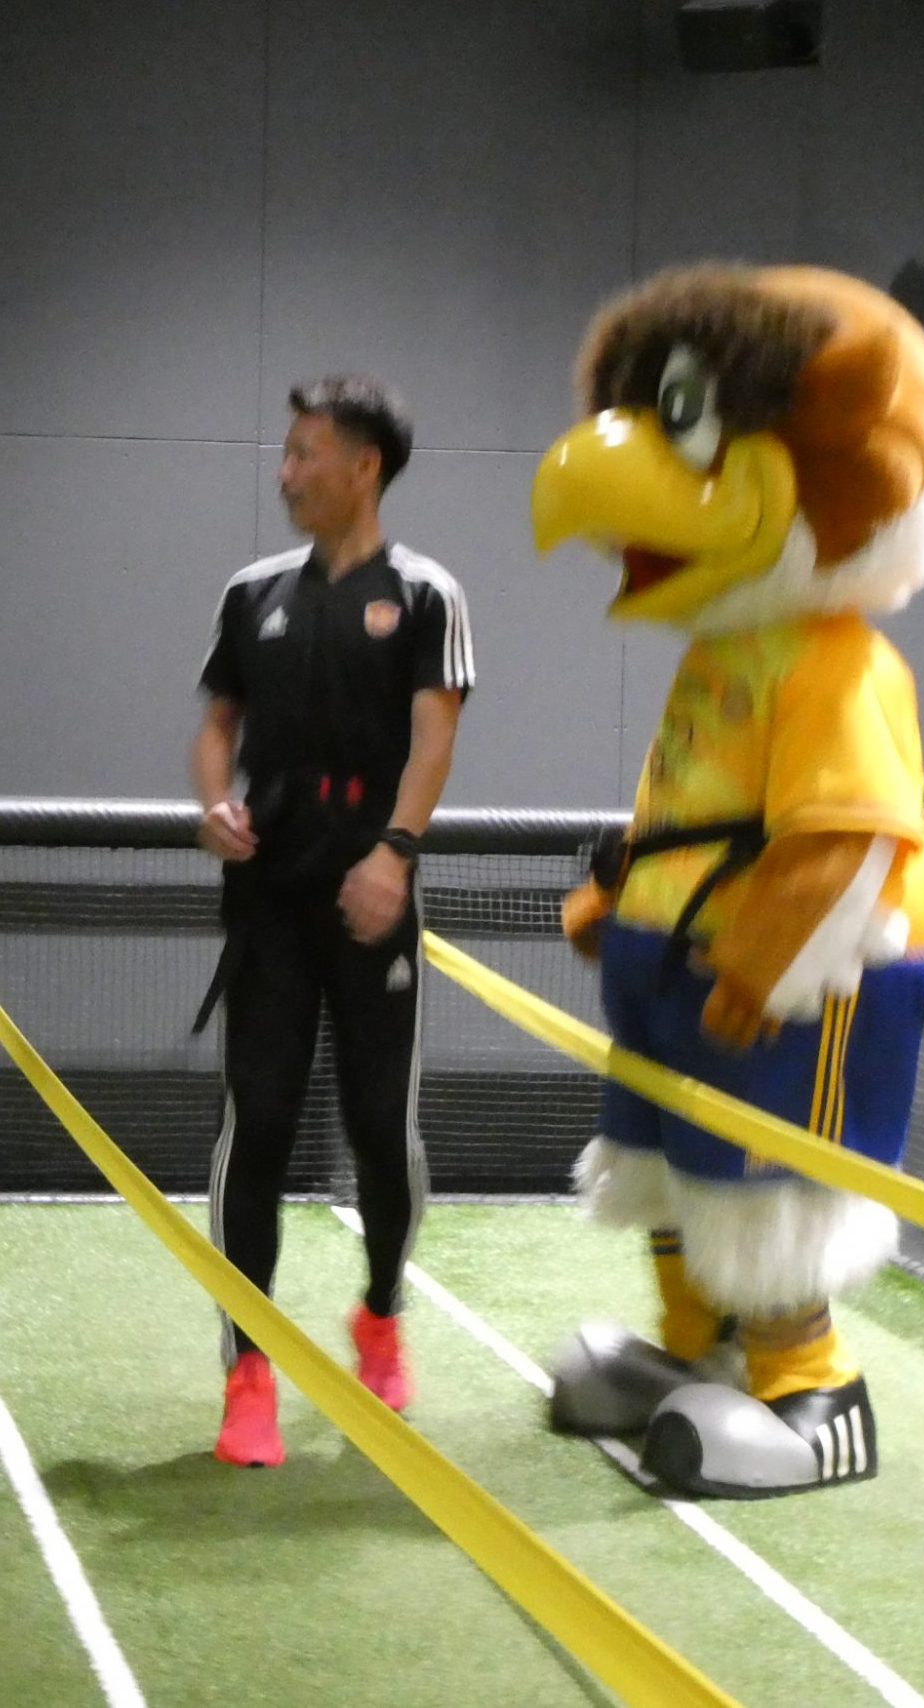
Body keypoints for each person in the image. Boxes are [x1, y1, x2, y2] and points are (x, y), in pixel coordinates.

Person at [192, 375, 475, 1467]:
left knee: (379, 1132)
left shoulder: (426, 595)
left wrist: (393, 856)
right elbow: (218, 725)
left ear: (364, 466)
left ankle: (381, 1313)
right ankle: (248, 1369)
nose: (286, 471)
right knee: (255, 1126)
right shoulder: (250, 593)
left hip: (371, 905)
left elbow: (433, 739)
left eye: (305, 452)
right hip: (267, 905)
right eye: (286, 451)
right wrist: (215, 804)